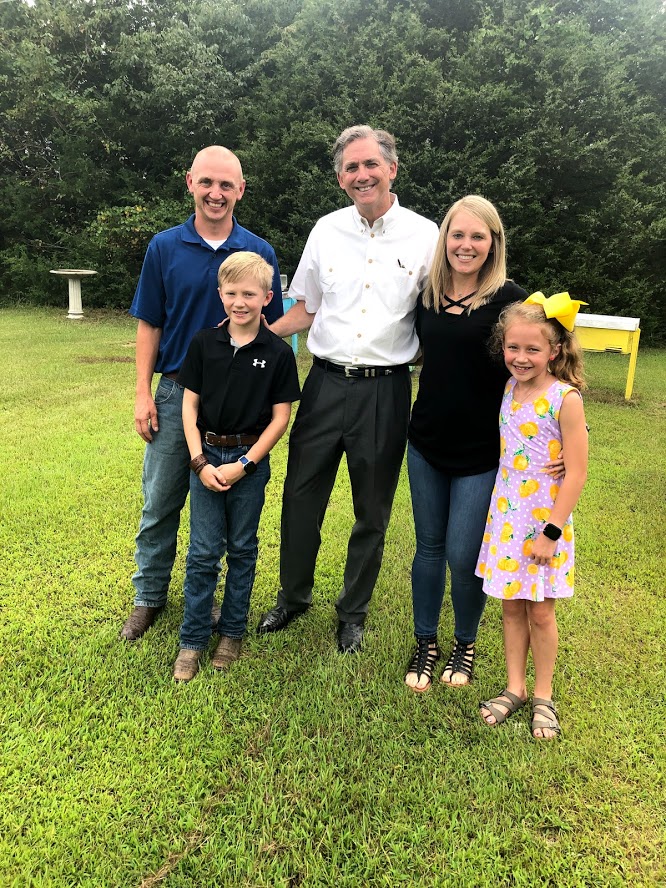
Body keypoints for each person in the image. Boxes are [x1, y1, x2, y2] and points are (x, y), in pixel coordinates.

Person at [256, 124, 439, 653]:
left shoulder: (427, 235)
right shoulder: (325, 231)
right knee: (299, 497)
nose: (362, 175)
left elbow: (439, 315)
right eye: (351, 168)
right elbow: (306, 308)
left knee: (372, 510)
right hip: (324, 384)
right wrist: (253, 337)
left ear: (392, 169)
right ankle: (293, 597)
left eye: (370, 164)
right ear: (340, 179)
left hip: (385, 391)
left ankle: (352, 612)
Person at [121, 146, 284, 642]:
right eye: (207, 182)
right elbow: (150, 323)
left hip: (239, 407)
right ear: (190, 182)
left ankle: (208, 599)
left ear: (241, 190)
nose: (216, 193)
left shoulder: (258, 252)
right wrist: (143, 393)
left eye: (226, 184)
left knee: (221, 508)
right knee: (160, 501)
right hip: (177, 394)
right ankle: (149, 596)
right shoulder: (164, 247)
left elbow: (271, 330)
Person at [404, 195, 530, 693]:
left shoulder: (511, 300)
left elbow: (544, 355)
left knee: (462, 554)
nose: (466, 244)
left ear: (493, 243)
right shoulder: (428, 294)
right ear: (445, 239)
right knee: (428, 549)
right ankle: (425, 641)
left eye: (478, 236)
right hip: (426, 441)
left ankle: (465, 642)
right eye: (457, 234)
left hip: (482, 450)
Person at [172, 252, 300, 681]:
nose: (239, 302)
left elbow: (280, 418)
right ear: (220, 294)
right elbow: (189, 406)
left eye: (249, 294)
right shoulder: (203, 343)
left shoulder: (278, 353)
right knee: (203, 552)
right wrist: (199, 462)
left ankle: (231, 633)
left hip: (249, 463)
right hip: (206, 459)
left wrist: (244, 464)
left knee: (242, 549)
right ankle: (192, 639)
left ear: (267, 298)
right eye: (231, 293)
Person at [477, 292, 588, 739]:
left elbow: (577, 472)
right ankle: (515, 688)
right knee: (510, 607)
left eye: (532, 349)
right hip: (508, 517)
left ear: (554, 351)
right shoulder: (509, 387)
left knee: (540, 612)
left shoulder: (566, 398)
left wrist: (550, 533)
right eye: (513, 347)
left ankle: (543, 695)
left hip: (544, 522)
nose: (521, 357)